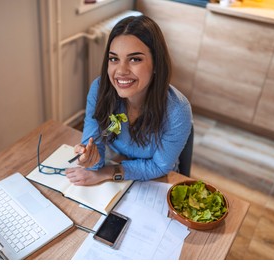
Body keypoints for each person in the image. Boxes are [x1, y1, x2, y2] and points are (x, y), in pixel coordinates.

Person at [65, 15, 193, 186]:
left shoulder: (178, 110)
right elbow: (95, 149)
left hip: (155, 180)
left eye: (135, 59)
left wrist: (107, 173)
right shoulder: (99, 89)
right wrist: (90, 159)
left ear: (156, 64)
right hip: (116, 160)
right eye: (114, 59)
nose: (121, 71)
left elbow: (159, 166)